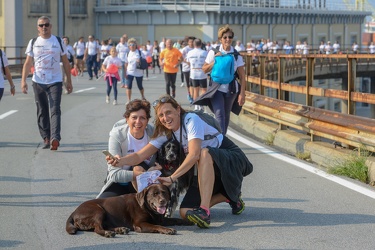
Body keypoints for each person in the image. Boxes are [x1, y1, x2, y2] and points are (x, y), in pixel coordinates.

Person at [106, 95, 253, 228]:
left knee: (204, 152)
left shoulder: (191, 120)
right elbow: (139, 156)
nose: (165, 118)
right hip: (206, 171)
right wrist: (119, 161)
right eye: (161, 115)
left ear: (178, 109)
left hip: (230, 161)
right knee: (185, 212)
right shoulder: (166, 131)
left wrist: (172, 177)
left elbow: (194, 154)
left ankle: (204, 210)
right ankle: (229, 196)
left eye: (168, 112)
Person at [21, 16, 73, 150]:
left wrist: (69, 81)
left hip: (55, 81)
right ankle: (46, 137)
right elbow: (28, 63)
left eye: (46, 25)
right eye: (41, 25)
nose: (44, 27)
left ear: (51, 26)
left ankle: (55, 137)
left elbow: (66, 62)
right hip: (38, 81)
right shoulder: (33, 42)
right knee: (42, 110)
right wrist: (23, 81)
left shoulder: (58, 41)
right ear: (38, 28)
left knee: (55, 109)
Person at [194, 25, 246, 135]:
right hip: (216, 88)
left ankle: (222, 139)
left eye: (230, 37)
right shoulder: (214, 52)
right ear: (220, 39)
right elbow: (204, 69)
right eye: (225, 37)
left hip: (231, 90)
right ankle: (221, 140)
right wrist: (215, 61)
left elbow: (242, 76)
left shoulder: (236, 55)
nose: (228, 39)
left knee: (226, 115)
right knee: (219, 114)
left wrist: (242, 94)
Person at [98, 99, 155, 198]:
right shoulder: (117, 135)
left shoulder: (154, 134)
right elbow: (114, 174)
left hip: (144, 185)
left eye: (142, 118)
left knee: (138, 166)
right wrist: (141, 174)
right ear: (127, 119)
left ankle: (143, 204)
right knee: (103, 206)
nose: (138, 122)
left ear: (147, 120)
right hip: (119, 183)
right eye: (134, 117)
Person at [186, 38, 208, 110]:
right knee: (203, 90)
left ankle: (196, 105)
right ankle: (201, 104)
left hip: (193, 73)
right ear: (201, 44)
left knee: (196, 90)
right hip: (202, 73)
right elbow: (207, 62)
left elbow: (188, 62)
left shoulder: (190, 52)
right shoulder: (205, 52)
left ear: (194, 44)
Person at [125, 38, 146, 103]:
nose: (132, 46)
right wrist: (125, 72)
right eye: (131, 45)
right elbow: (126, 63)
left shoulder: (139, 52)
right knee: (129, 86)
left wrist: (140, 60)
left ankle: (142, 96)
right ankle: (129, 100)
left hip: (138, 72)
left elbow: (145, 60)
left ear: (136, 45)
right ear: (129, 46)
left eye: (134, 44)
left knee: (140, 86)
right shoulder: (128, 53)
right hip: (130, 72)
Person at [181, 36, 195, 103]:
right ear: (188, 42)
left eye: (192, 42)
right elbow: (181, 57)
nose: (191, 43)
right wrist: (187, 62)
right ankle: (189, 94)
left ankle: (194, 96)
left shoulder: (195, 49)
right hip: (186, 68)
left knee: (193, 83)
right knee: (188, 83)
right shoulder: (185, 49)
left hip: (194, 69)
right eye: (190, 42)